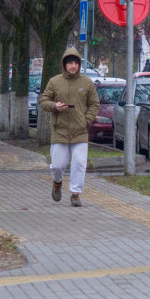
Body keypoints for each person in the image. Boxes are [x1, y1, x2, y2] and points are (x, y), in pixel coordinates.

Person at [39, 48, 99, 207]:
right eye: (69, 63)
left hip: (80, 131)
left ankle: (75, 193)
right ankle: (57, 182)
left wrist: (87, 120)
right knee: (58, 165)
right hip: (60, 130)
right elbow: (43, 101)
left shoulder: (87, 82)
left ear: (79, 64)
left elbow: (94, 104)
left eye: (75, 63)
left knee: (79, 163)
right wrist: (55, 106)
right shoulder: (55, 81)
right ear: (64, 64)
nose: (73, 66)